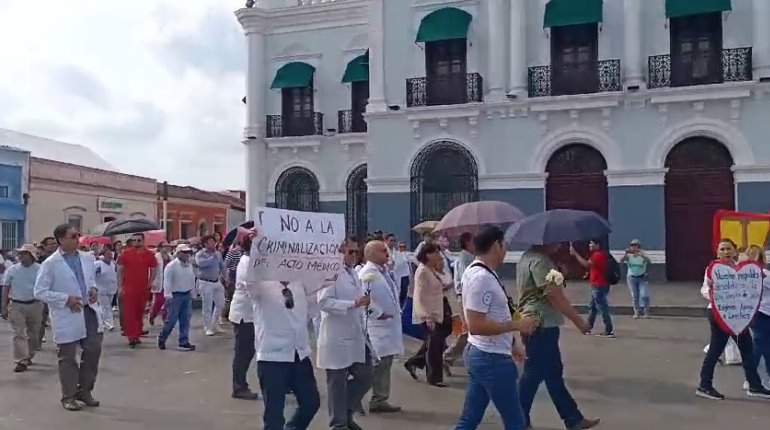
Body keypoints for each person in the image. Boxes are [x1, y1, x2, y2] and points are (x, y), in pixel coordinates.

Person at [454, 226, 535, 430]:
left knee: (470, 418)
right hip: (490, 358)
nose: (506, 250)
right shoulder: (480, 278)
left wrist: (513, 342)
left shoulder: (486, 273)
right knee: (516, 421)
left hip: (486, 353)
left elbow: (494, 313)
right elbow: (475, 325)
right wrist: (518, 325)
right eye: (505, 245)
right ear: (497, 245)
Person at [517, 241, 599, 430]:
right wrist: (578, 321)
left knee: (553, 374)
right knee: (533, 373)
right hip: (541, 324)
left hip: (536, 321)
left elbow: (539, 289)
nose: (559, 244)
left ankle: (573, 418)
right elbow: (553, 295)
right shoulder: (540, 262)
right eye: (557, 239)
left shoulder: (526, 258)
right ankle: (518, 418)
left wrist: (559, 274)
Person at [34, 224, 103, 411]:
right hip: (67, 313)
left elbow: (90, 280)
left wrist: (94, 290)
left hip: (88, 310)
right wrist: (65, 299)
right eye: (73, 236)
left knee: (93, 351)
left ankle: (85, 390)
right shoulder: (50, 264)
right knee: (68, 356)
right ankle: (69, 396)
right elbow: (40, 291)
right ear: (61, 240)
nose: (77, 239)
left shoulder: (87, 258)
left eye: (78, 235)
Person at [244, 266, 321, 430]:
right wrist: (256, 248)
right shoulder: (262, 285)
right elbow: (250, 281)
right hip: (272, 358)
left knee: (311, 403)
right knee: (274, 415)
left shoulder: (299, 284)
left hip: (299, 354)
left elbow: (312, 307)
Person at [697, 238, 770, 400]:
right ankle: (704, 385)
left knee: (747, 349)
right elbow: (704, 290)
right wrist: (714, 292)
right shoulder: (713, 269)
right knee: (716, 349)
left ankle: (755, 386)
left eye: (728, 249)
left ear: (735, 251)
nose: (725, 252)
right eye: (722, 249)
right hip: (719, 315)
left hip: (740, 316)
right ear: (717, 252)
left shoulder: (740, 268)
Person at [317, 237, 372, 430]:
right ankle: (338, 424)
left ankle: (346, 413)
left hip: (355, 333)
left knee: (366, 376)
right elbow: (324, 302)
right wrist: (352, 304)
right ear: (339, 253)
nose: (355, 256)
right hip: (336, 336)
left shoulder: (353, 273)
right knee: (337, 384)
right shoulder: (330, 273)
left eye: (357, 252)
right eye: (351, 252)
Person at [359, 240, 403, 413]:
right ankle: (357, 399)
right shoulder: (367, 273)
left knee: (385, 364)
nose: (387, 252)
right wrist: (378, 313)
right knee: (377, 365)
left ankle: (380, 398)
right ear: (371, 254)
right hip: (377, 326)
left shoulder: (384, 271)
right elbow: (363, 299)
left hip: (388, 325)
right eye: (383, 250)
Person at [404, 242, 453, 387]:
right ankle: (434, 377)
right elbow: (419, 295)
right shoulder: (422, 271)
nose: (438, 255)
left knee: (436, 340)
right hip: (430, 312)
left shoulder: (432, 269)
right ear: (427, 255)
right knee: (435, 346)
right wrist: (426, 316)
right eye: (435, 253)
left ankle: (414, 361)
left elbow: (437, 286)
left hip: (439, 309)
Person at [1, 244, 43, 372]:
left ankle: (29, 355)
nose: (21, 256)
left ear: (31, 256)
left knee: (34, 333)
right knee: (18, 333)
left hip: (35, 304)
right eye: (20, 253)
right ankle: (20, 360)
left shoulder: (40, 269)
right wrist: (4, 305)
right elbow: (6, 287)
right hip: (16, 304)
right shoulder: (12, 270)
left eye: (24, 253)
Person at [229, 233, 259, 400]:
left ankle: (240, 384)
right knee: (243, 352)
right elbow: (253, 290)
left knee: (248, 351)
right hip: (244, 314)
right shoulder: (247, 263)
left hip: (249, 313)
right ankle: (239, 386)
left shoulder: (250, 262)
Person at [117, 233, 156, 348]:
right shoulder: (126, 254)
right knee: (130, 312)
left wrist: (150, 283)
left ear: (143, 241)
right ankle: (131, 337)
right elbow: (120, 269)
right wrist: (120, 285)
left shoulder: (149, 254)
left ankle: (137, 334)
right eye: (134, 240)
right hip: (129, 287)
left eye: (139, 240)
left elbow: (154, 269)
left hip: (143, 288)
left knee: (139, 311)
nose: (136, 242)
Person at [157, 244, 197, 352]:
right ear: (178, 253)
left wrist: (193, 293)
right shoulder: (171, 266)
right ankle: (162, 338)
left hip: (186, 294)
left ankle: (183, 341)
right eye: (184, 252)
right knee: (171, 320)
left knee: (185, 320)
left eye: (188, 252)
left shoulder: (189, 266)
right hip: (175, 296)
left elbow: (192, 279)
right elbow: (167, 281)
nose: (187, 255)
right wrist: (168, 295)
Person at [570, 240, 614, 338]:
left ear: (598, 245)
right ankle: (588, 327)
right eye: (589, 243)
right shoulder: (598, 254)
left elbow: (586, 264)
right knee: (593, 307)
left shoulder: (597, 255)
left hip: (599, 285)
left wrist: (575, 254)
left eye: (592, 243)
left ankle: (608, 329)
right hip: (598, 284)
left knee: (602, 307)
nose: (590, 245)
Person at [445, 232, 475, 365]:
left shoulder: (471, 257)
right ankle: (447, 357)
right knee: (468, 330)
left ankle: (451, 356)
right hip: (466, 297)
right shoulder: (464, 259)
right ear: (468, 243)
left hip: (469, 296)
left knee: (470, 330)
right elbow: (466, 280)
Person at [745, 245, 770, 389]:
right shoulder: (765, 274)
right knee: (759, 348)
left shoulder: (745, 275)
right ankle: (750, 378)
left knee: (765, 348)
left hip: (754, 313)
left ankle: (757, 377)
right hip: (764, 313)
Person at [195, 234, 226, 336]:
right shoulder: (200, 254)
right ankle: (207, 327)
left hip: (216, 281)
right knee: (207, 306)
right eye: (210, 242)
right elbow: (201, 264)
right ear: (205, 244)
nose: (213, 244)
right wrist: (212, 257)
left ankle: (215, 324)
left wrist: (225, 276)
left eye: (214, 241)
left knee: (220, 304)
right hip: (205, 282)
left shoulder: (218, 254)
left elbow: (222, 265)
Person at [620, 239, 651, 319]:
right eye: (632, 246)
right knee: (634, 295)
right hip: (631, 277)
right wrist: (625, 253)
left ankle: (646, 311)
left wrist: (642, 255)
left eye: (636, 246)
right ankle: (636, 311)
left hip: (642, 277)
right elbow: (621, 260)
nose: (634, 248)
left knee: (644, 295)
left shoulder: (643, 255)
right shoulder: (629, 256)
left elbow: (649, 261)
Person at [37, 236, 58, 347]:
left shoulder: (60, 258)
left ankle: (60, 342)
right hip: (44, 292)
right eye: (51, 244)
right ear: (44, 246)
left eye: (55, 243)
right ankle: (38, 342)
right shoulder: (39, 260)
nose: (54, 246)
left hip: (57, 292)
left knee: (58, 319)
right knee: (42, 319)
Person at [94, 248, 118, 331]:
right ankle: (109, 324)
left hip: (111, 289)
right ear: (103, 255)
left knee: (106, 306)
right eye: (107, 254)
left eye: (110, 254)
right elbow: (91, 274)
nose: (109, 256)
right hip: (100, 289)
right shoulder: (98, 264)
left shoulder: (113, 264)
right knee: (106, 307)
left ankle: (101, 321)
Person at [149, 242, 172, 326]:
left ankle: (165, 318)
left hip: (168, 282)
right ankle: (152, 315)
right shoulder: (156, 257)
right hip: (159, 281)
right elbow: (152, 270)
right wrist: (151, 281)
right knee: (158, 301)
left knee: (167, 301)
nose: (167, 248)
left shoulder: (170, 256)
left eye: (168, 246)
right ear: (160, 248)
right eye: (165, 246)